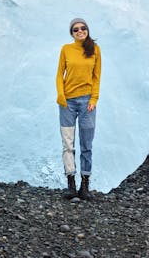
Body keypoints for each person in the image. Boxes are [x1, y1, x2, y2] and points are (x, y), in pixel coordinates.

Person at [56, 18, 101, 200]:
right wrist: (61, 95)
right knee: (68, 144)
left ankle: (85, 185)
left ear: (87, 30)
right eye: (76, 29)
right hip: (68, 102)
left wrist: (94, 98)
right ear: (72, 33)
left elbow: (96, 77)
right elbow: (60, 74)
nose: (80, 31)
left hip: (87, 103)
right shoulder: (66, 49)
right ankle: (71, 185)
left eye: (83, 28)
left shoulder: (95, 49)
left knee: (86, 144)